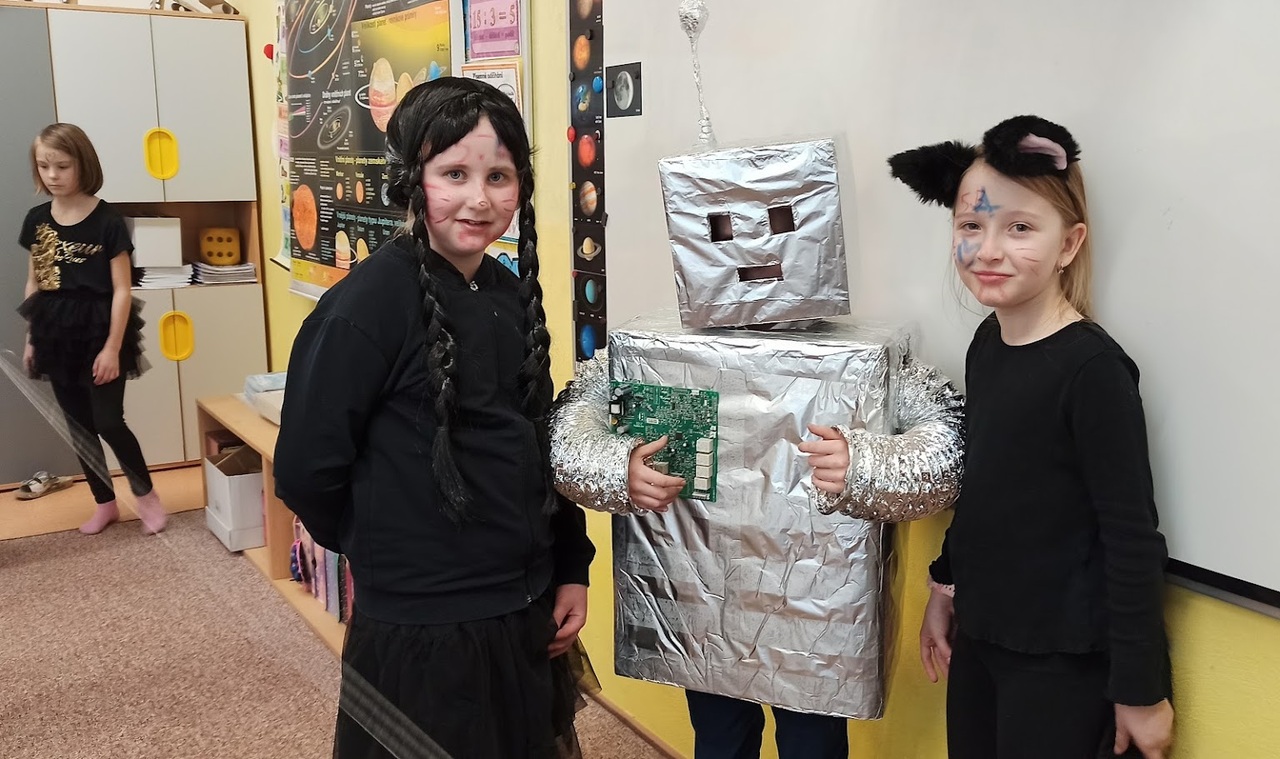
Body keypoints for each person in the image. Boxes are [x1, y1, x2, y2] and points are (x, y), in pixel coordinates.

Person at [273, 77, 597, 759]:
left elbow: (539, 445)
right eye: (454, 174)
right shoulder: (364, 308)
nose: (480, 199)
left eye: (498, 176)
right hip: (421, 623)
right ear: (410, 180)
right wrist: (391, 545)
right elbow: (307, 469)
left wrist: (571, 565)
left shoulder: (509, 295)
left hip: (521, 605)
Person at [890, 115, 1174, 759]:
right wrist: (945, 587)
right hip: (983, 637)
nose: (989, 249)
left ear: (1068, 245)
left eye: (1019, 228)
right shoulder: (987, 343)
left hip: (1060, 661)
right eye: (971, 225)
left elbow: (1131, 536)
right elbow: (986, 487)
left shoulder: (1093, 371)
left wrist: (1141, 690)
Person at [19, 123, 166, 536]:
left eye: (62, 166)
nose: (52, 175)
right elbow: (36, 283)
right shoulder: (38, 221)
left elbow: (122, 290)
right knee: (79, 428)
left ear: (83, 164)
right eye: (44, 166)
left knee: (108, 421)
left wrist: (112, 347)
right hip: (55, 334)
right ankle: (105, 504)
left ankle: (146, 496)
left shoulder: (107, 221)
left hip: (102, 332)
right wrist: (32, 337)